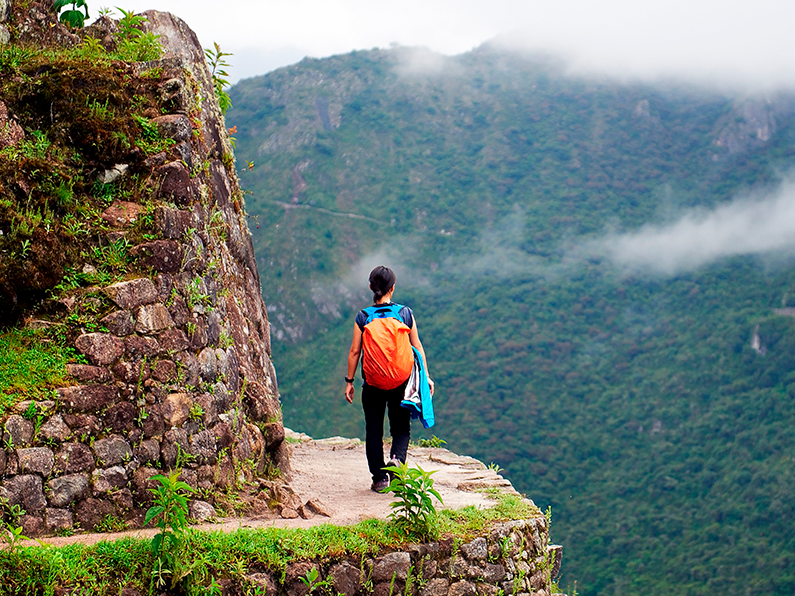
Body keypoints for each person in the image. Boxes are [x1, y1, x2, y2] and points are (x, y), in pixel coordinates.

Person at [345, 265, 435, 492]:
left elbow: (355, 352)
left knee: (374, 430)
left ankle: (379, 478)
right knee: (401, 428)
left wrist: (349, 381)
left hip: (373, 384)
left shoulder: (363, 317)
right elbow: (417, 347)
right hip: (401, 382)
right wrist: (426, 376)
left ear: (370, 288)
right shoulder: (405, 314)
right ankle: (396, 463)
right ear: (392, 288)